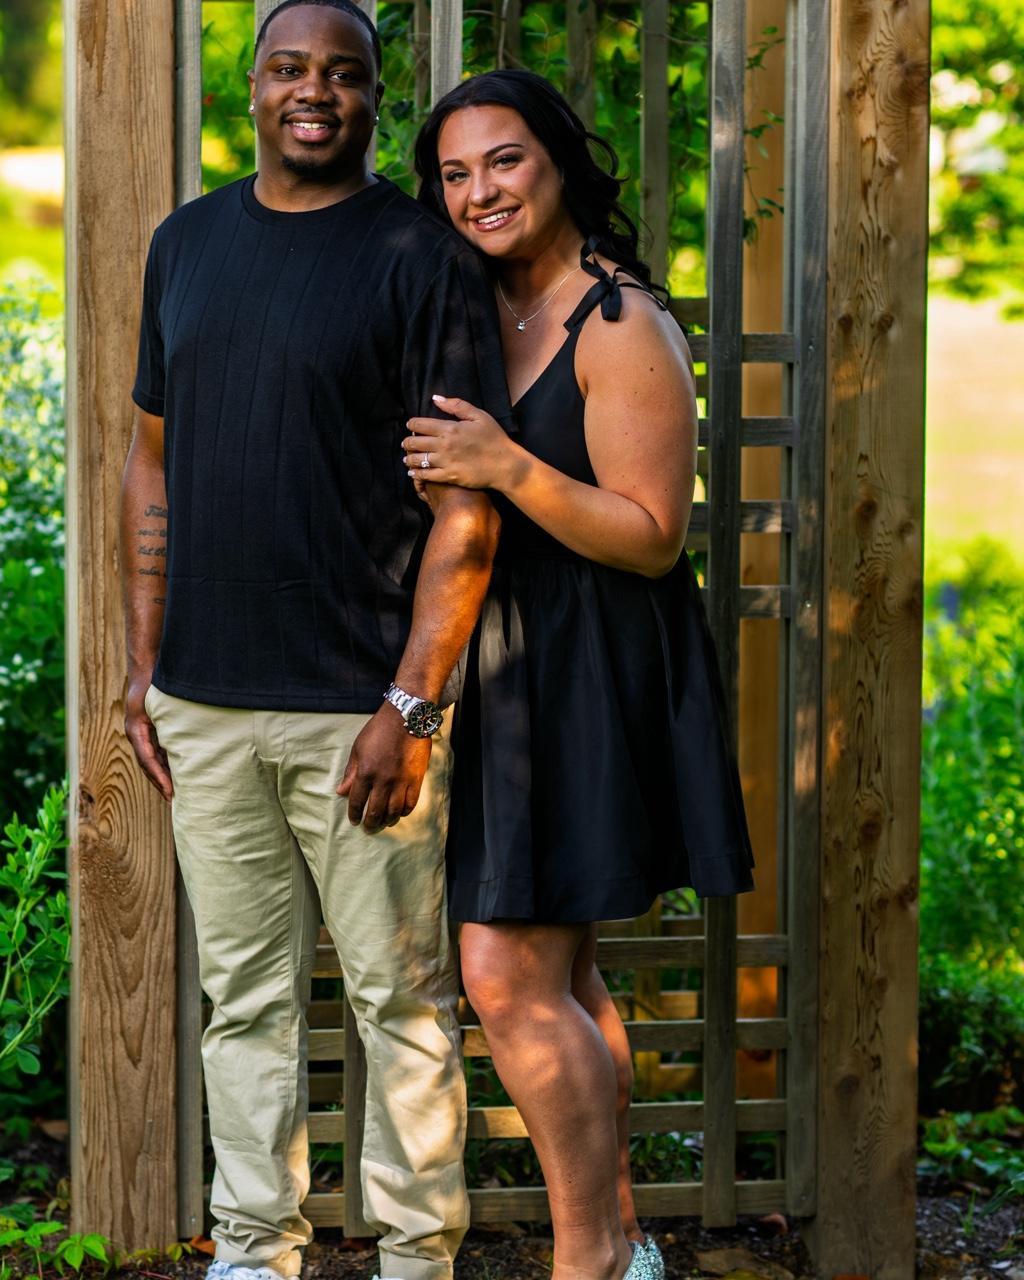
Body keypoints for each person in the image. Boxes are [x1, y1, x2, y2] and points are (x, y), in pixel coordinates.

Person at [120, 4, 513, 1278]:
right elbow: (149, 457)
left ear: (372, 101)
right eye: (289, 68)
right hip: (204, 701)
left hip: (360, 708)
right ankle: (252, 1247)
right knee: (242, 1000)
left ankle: (415, 1257)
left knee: (400, 1001)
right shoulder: (184, 245)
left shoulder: (419, 255)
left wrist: (411, 705)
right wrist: (143, 665)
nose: (313, 92)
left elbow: (466, 503)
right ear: (250, 86)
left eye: (343, 75)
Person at [404, 70, 756, 1280]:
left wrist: (504, 464)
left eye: (502, 160)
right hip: (506, 667)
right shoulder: (474, 302)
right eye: (453, 173)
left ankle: (587, 1259)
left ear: (557, 160)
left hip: (590, 667)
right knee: (559, 969)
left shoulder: (617, 323)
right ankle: (625, 1245)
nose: (479, 191)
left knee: (503, 970)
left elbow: (652, 533)